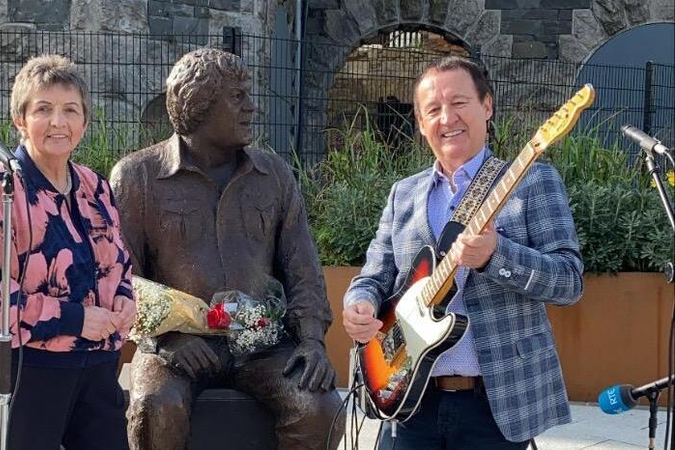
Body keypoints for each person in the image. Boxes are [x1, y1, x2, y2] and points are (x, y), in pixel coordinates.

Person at [342, 55, 584, 449]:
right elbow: (373, 275)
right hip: (409, 400)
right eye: (433, 110)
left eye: (459, 103)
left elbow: (569, 281)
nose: (447, 118)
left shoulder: (531, 181)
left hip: (494, 403)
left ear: (486, 106)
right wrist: (359, 304)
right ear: (421, 124)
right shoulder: (404, 194)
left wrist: (495, 256)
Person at [110, 48, 344, 450]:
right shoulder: (137, 177)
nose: (252, 108)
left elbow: (302, 268)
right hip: (176, 346)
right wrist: (166, 341)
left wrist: (311, 341)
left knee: (318, 406)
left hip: (263, 347)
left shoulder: (275, 176)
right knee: (155, 404)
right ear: (199, 105)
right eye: (237, 97)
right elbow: (118, 279)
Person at [0, 54, 135, 450]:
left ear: (84, 123)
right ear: (20, 120)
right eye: (44, 109)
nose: (59, 122)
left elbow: (118, 265)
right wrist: (76, 319)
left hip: (98, 369)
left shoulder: (95, 187)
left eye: (70, 110)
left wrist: (125, 301)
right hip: (25, 371)